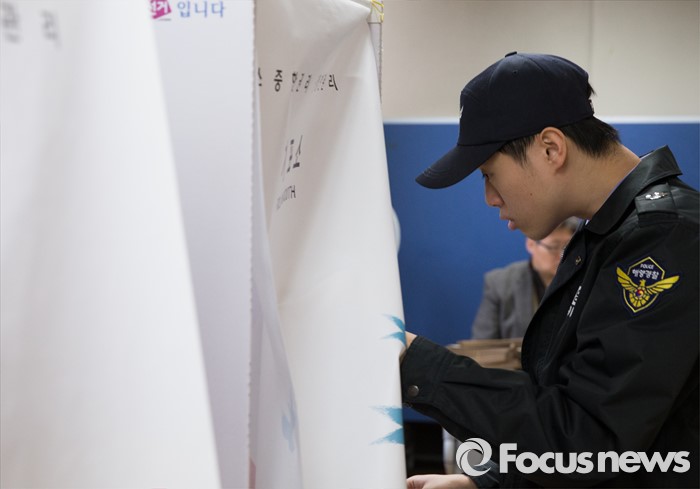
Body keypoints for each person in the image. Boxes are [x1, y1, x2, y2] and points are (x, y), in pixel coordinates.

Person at [401, 52, 698, 488]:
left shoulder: (663, 239)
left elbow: (589, 444)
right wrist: (489, 484)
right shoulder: (607, 236)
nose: (489, 197)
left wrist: (420, 366)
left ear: (551, 148)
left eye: (489, 174)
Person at [471, 218, 579, 340]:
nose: (562, 255)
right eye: (554, 247)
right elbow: (481, 345)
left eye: (567, 247)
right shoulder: (499, 284)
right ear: (531, 244)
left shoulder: (583, 280)